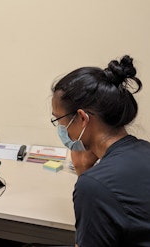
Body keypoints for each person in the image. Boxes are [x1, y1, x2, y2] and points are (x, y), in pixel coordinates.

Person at [50, 55, 150, 246]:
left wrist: (86, 176)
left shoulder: (94, 186)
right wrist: (85, 170)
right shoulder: (145, 149)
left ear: (82, 118)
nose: (61, 128)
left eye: (59, 120)